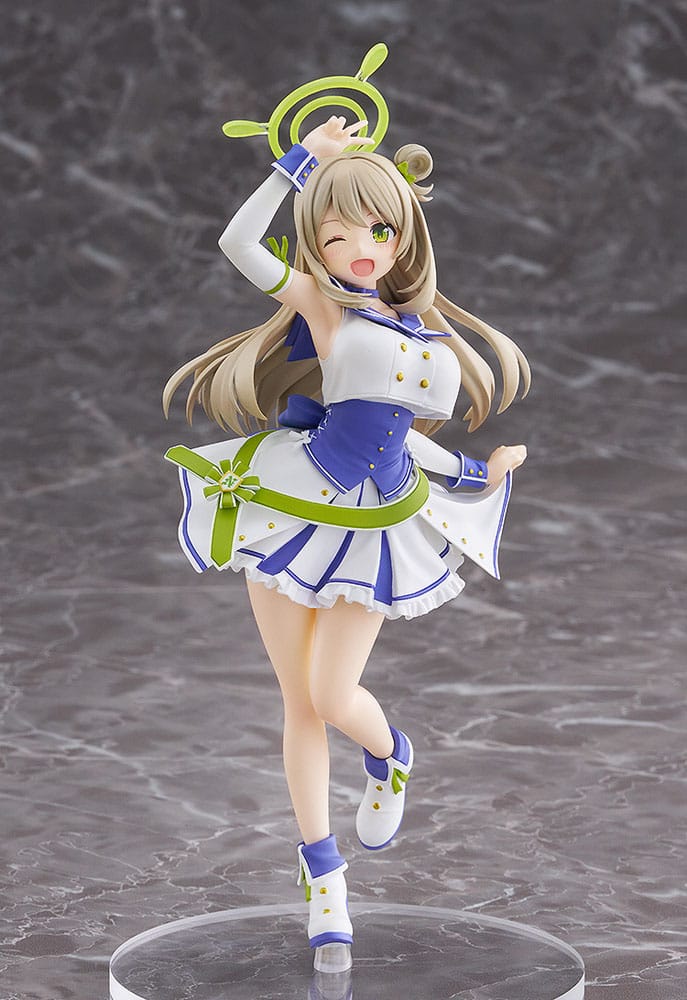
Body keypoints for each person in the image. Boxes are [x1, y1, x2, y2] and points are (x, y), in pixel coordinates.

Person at [163, 115, 529, 971]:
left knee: (333, 694)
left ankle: (388, 753)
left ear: (403, 233)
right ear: (316, 245)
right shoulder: (324, 304)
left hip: (376, 523)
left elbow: (400, 438)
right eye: (335, 235)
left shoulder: (426, 332)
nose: (358, 248)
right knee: (298, 702)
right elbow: (236, 242)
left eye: (376, 230)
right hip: (294, 503)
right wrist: (299, 162)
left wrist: (475, 472)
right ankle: (323, 877)